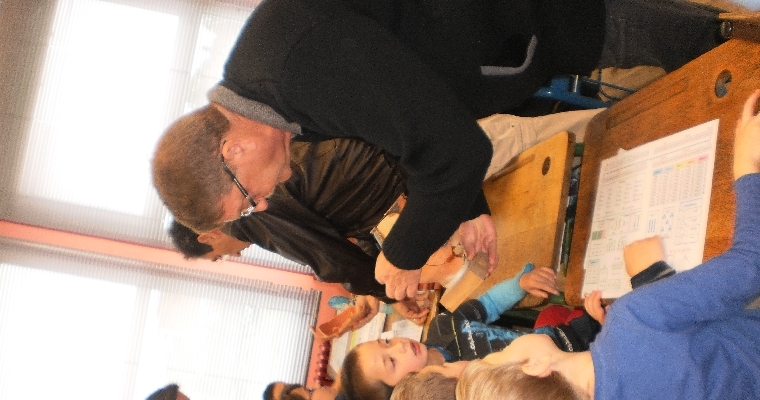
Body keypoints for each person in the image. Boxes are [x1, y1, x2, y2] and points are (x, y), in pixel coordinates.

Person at [152, 0, 724, 302]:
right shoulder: (274, 93)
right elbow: (405, 131)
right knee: (679, 46)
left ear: (233, 150)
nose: (264, 201)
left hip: (528, 16)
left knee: (699, 42)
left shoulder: (296, 70)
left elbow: (456, 151)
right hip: (505, 33)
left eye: (247, 199)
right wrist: (468, 205)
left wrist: (402, 254)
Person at [454, 89, 760, 400]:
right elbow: (750, 266)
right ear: (535, 365)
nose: (505, 346)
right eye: (499, 354)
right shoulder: (633, 318)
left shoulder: (629, 327)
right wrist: (746, 167)